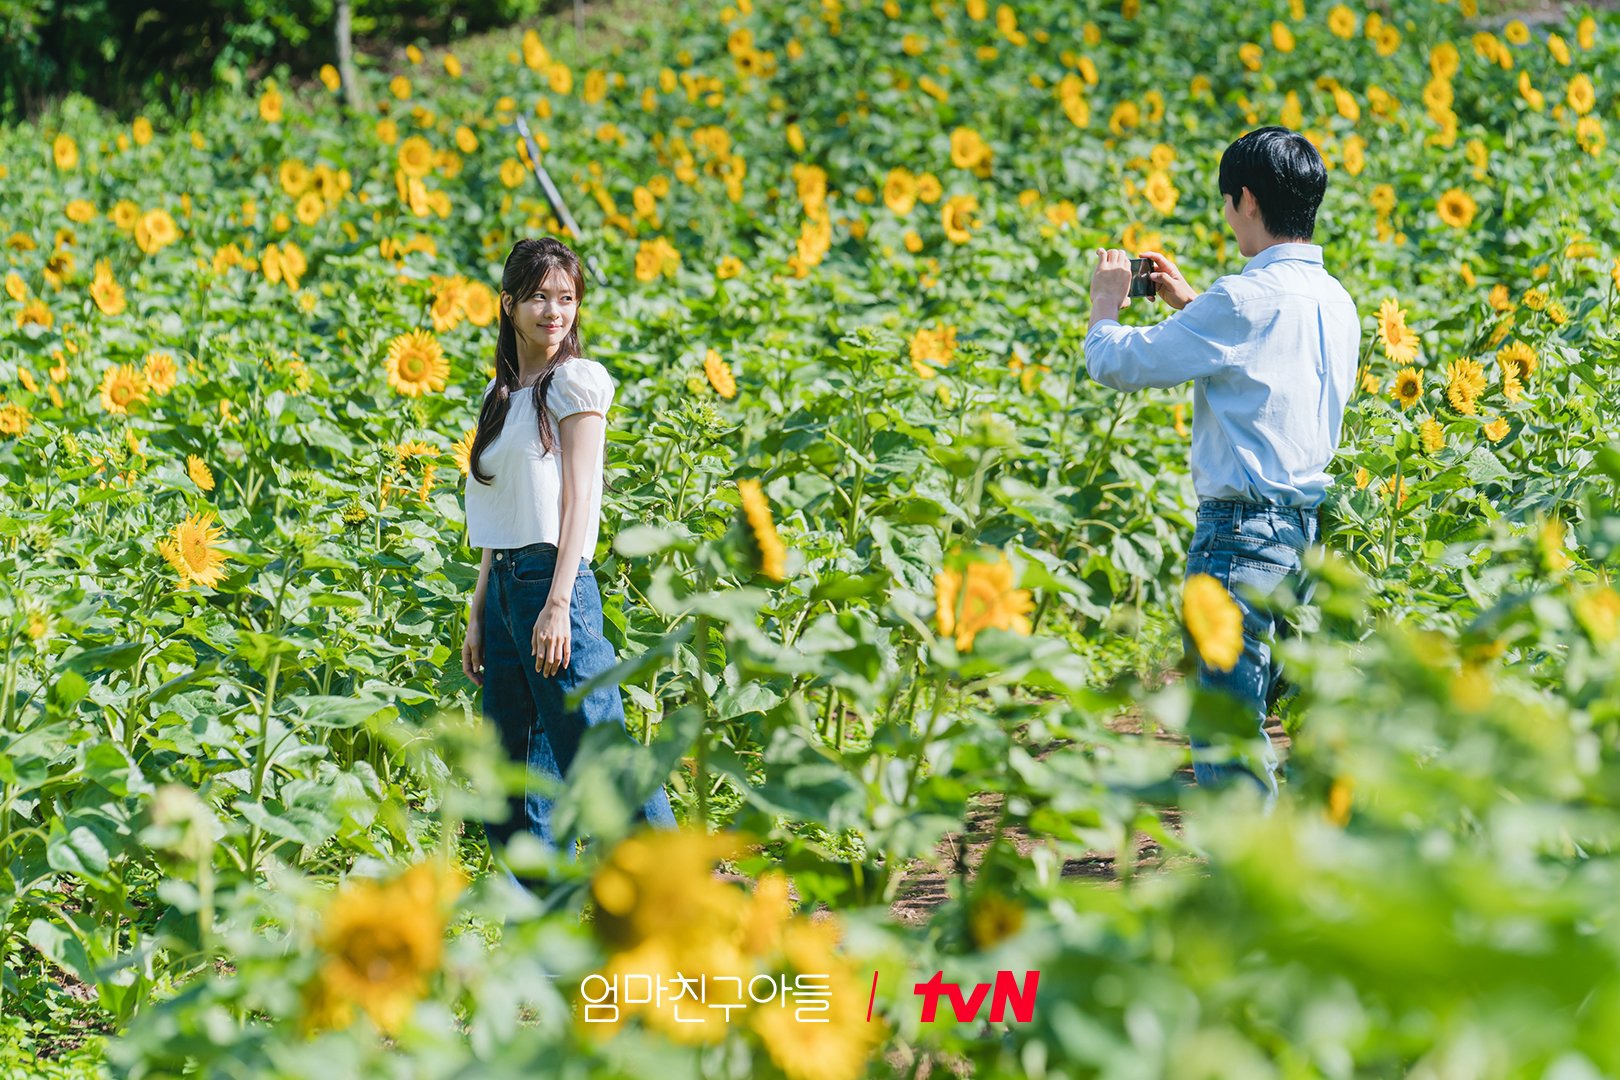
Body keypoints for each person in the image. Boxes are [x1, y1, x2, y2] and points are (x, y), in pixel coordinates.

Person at [1083, 126, 1361, 811]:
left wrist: (1105, 302)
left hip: (1238, 538)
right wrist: (1189, 306)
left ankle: (1255, 893)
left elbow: (1115, 361)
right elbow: (1265, 364)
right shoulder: (1336, 301)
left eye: (1228, 202)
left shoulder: (1240, 301)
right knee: (1265, 719)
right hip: (1305, 538)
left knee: (1228, 731)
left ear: (1245, 200)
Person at [460, 237, 676, 887]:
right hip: (503, 593)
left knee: (598, 749)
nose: (553, 312)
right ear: (508, 305)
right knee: (516, 780)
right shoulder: (502, 396)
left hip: (555, 584)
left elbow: (583, 499)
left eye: (566, 298)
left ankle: (682, 892)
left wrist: (557, 603)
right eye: (538, 297)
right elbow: (497, 517)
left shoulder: (574, 383)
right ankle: (544, 935)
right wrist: (479, 613)